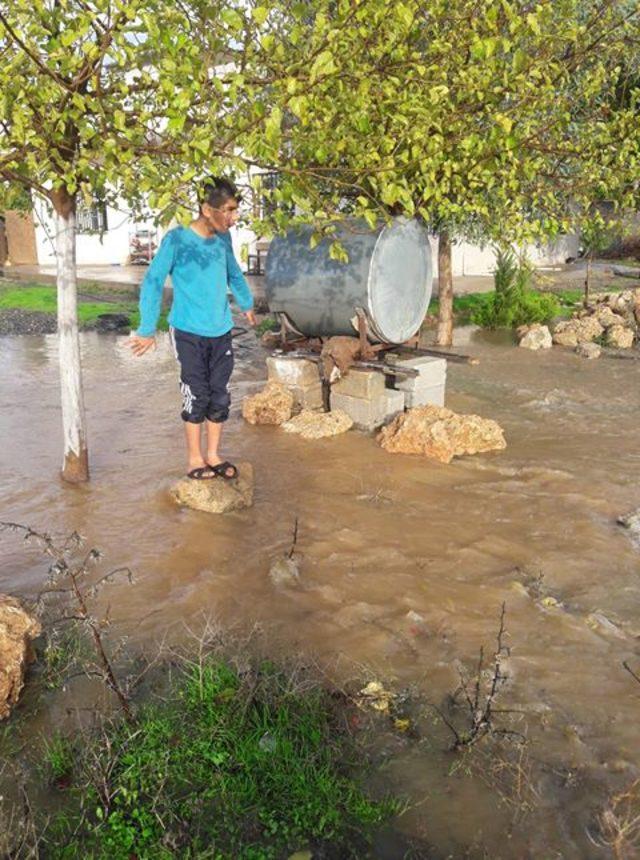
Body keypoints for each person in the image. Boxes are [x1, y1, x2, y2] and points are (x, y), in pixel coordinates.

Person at [129, 178, 256, 480]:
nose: (234, 218)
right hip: (187, 331)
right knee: (195, 394)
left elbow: (234, 273)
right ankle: (194, 459)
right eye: (229, 210)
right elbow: (153, 281)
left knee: (220, 395)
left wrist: (246, 303)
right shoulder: (177, 240)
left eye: (236, 210)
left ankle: (213, 455)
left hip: (220, 329)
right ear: (206, 209)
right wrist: (147, 329)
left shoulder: (223, 240)